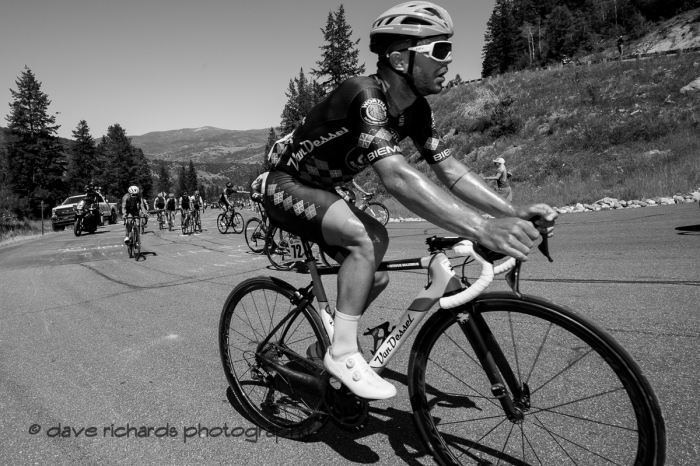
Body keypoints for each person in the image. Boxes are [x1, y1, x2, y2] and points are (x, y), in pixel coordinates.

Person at [263, 2, 556, 400]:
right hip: (284, 185)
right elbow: (397, 175)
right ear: (400, 58)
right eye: (438, 51)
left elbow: (450, 169)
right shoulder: (364, 95)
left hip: (324, 191)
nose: (448, 60)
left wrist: (510, 210)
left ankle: (324, 346)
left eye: (449, 50)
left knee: (374, 275)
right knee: (370, 238)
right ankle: (343, 353)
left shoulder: (415, 109)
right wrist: (483, 227)